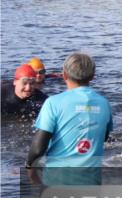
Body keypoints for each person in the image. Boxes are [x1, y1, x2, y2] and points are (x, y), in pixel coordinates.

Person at [25, 53, 112, 185]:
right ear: (93, 76)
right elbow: (103, 137)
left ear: (64, 75)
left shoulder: (53, 103)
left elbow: (38, 149)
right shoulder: (104, 103)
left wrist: (30, 171)